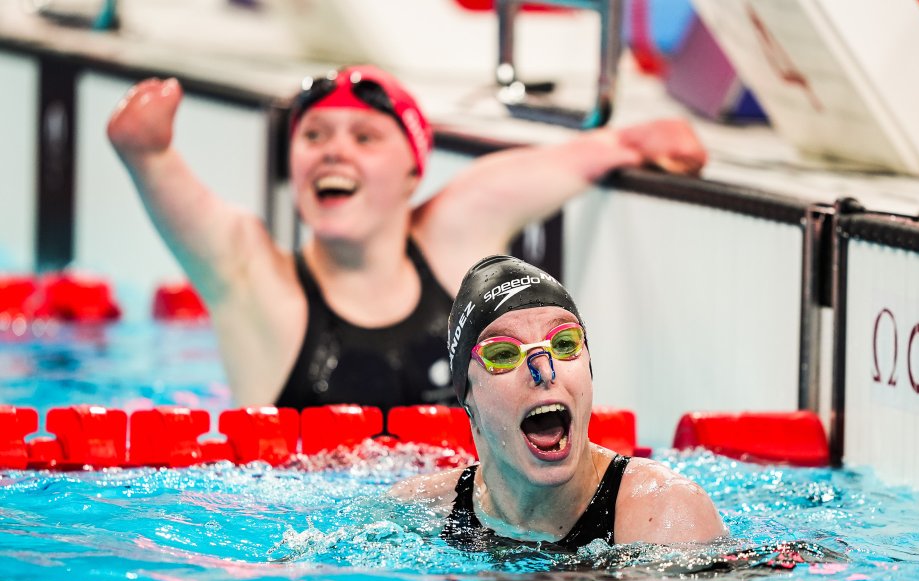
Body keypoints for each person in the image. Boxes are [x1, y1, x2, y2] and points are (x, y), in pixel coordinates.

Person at [106, 65, 707, 410]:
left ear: (414, 171)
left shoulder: (450, 240)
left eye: (365, 138)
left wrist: (633, 144)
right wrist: (143, 147)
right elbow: (155, 166)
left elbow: (593, 155)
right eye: (313, 136)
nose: (334, 150)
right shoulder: (260, 288)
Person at [390, 255, 727, 551]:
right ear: (467, 397)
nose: (543, 371)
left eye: (564, 343)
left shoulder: (666, 517)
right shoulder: (417, 512)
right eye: (504, 353)